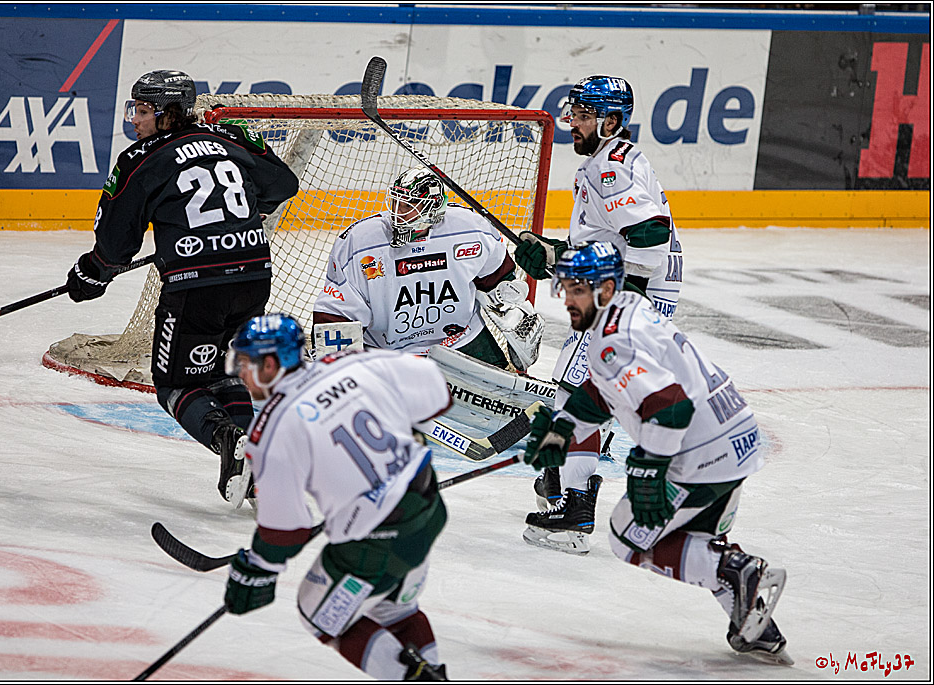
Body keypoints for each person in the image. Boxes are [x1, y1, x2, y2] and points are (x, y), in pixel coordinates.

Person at [522, 241, 790, 663]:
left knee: (627, 535)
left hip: (702, 451)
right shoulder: (632, 307)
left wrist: (649, 473)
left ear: (606, 288)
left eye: (578, 289)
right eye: (567, 288)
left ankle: (740, 573)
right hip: (735, 435)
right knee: (697, 540)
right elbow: (602, 390)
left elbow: (669, 406)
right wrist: (564, 429)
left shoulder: (611, 341)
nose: (568, 300)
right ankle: (754, 625)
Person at [65, 70, 299, 509]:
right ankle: (258, 467)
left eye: (142, 110)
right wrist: (239, 219)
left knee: (174, 385)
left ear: (167, 113)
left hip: (196, 288)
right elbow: (284, 185)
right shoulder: (230, 137)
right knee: (227, 371)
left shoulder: (139, 160)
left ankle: (224, 437)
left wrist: (91, 274)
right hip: (253, 275)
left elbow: (115, 246)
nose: (134, 120)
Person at [221, 314, 451, 680]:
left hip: (377, 542)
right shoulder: (352, 363)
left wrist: (259, 568)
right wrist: (407, 436)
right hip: (427, 507)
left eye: (247, 364)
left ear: (269, 364)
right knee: (394, 610)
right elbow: (433, 387)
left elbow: (286, 530)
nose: (242, 375)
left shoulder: (273, 431)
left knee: (318, 612)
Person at [513, 75, 684, 537]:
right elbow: (605, 241)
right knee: (579, 392)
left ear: (611, 122)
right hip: (625, 293)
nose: (574, 123)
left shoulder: (611, 168)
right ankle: (569, 494)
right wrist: (553, 255)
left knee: (575, 395)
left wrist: (627, 300)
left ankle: (574, 506)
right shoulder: (607, 161)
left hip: (628, 296)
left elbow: (650, 233)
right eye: (575, 113)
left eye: (585, 116)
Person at [312, 165, 543, 373]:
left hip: (463, 341)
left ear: (432, 208)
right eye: (396, 202)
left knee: (502, 409)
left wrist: (515, 315)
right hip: (388, 354)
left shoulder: (470, 229)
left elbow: (498, 281)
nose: (397, 212)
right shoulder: (361, 242)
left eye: (408, 205)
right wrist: (337, 368)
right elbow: (338, 314)